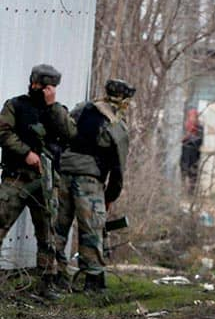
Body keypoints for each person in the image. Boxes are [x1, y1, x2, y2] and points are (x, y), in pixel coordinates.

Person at [0, 64, 76, 298]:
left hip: (46, 182)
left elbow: (71, 134)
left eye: (52, 87)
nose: (47, 90)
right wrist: (26, 153)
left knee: (48, 236)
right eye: (45, 86)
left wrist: (52, 106)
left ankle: (46, 284)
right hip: (17, 178)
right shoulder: (15, 105)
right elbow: (3, 132)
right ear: (34, 83)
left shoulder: (57, 111)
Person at [54, 79, 134, 292]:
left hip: (64, 173)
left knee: (59, 226)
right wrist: (109, 196)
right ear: (125, 100)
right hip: (88, 180)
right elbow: (118, 169)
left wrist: (59, 164)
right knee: (91, 229)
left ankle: (53, 276)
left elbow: (61, 135)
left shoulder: (82, 108)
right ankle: (93, 281)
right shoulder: (117, 125)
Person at [180, 108, 203, 195]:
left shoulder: (199, 127)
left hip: (194, 153)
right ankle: (182, 190)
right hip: (185, 153)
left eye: (194, 116)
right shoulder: (186, 126)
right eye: (191, 116)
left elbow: (199, 140)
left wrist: (189, 137)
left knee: (193, 173)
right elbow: (181, 139)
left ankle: (191, 192)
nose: (192, 118)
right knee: (183, 171)